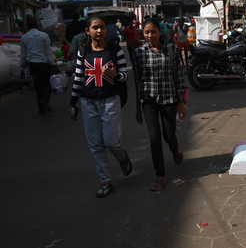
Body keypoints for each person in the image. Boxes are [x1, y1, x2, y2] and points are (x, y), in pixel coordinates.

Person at [69, 14, 132, 198]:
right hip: (88, 102)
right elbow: (79, 78)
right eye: (95, 27)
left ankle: (122, 157)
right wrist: (73, 104)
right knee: (95, 145)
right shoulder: (83, 50)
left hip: (110, 100)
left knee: (111, 141)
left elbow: (125, 75)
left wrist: (115, 75)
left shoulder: (113, 49)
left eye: (102, 27)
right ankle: (105, 181)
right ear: (87, 31)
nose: (99, 31)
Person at [133, 18, 186, 191]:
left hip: (169, 98)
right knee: (154, 138)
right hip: (149, 100)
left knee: (169, 135)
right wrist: (138, 108)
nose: (150, 35)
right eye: (146, 32)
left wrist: (181, 102)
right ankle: (160, 175)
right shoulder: (139, 52)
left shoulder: (171, 49)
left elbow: (178, 75)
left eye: (153, 31)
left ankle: (175, 148)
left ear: (160, 32)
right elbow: (137, 81)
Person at [20, 15, 58, 114]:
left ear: (26, 26)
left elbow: (23, 55)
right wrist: (53, 65)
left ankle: (41, 107)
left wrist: (22, 68)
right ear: (36, 24)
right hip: (44, 63)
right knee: (46, 84)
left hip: (32, 64)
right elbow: (48, 52)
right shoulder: (44, 36)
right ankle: (45, 100)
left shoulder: (24, 37)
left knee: (38, 85)